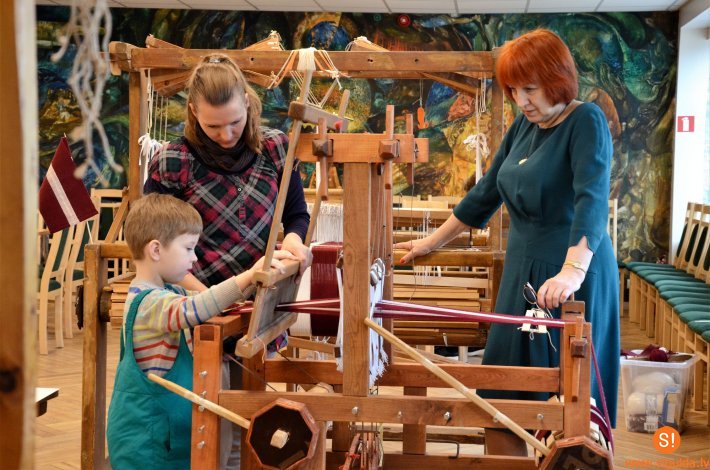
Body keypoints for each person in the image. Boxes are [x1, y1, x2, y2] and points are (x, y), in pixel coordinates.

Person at [396, 29, 619, 456]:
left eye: (530, 89)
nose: (522, 100)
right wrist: (430, 242)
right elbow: (485, 193)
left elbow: (591, 199)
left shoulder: (585, 121)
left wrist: (572, 272)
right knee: (504, 391)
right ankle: (508, 461)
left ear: (557, 79)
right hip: (522, 272)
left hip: (568, 276)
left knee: (570, 399)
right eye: (514, 90)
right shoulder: (524, 125)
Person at [143, 54, 313, 466]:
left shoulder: (274, 149)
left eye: (235, 122)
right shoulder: (173, 162)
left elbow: (296, 214)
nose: (225, 134)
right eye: (212, 126)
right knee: (205, 419)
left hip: (258, 305)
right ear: (192, 112)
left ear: (249, 104)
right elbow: (154, 242)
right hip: (195, 304)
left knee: (252, 414)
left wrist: (294, 242)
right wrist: (209, 299)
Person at [106, 193, 295, 469]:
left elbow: (208, 301)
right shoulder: (150, 304)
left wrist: (254, 289)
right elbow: (197, 307)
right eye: (188, 248)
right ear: (155, 250)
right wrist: (248, 276)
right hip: (146, 445)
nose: (194, 258)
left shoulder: (167, 291)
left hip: (165, 438)